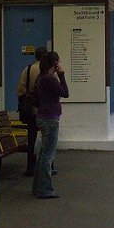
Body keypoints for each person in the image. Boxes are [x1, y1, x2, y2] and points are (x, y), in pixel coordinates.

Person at [32, 51, 69, 199]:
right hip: (50, 119)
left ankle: (38, 188)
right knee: (48, 156)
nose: (60, 64)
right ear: (55, 64)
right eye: (59, 62)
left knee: (42, 155)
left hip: (43, 117)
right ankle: (45, 189)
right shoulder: (49, 79)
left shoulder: (41, 78)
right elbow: (65, 93)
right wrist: (62, 75)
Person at [17, 46, 47, 176]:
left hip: (31, 111)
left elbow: (20, 90)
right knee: (47, 140)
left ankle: (31, 167)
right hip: (45, 110)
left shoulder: (28, 70)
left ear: (35, 56)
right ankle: (48, 166)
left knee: (32, 139)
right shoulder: (48, 71)